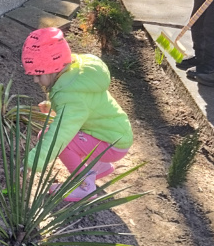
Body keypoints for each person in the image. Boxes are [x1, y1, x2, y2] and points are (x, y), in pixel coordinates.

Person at [21, 28, 134, 203]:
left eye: (39, 74)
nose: (35, 80)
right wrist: (53, 106)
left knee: (62, 143)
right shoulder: (75, 76)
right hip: (113, 135)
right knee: (65, 137)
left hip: (111, 144)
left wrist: (34, 161)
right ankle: (99, 166)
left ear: (54, 69)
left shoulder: (72, 97)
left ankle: (86, 186)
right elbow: (85, 108)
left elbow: (60, 134)